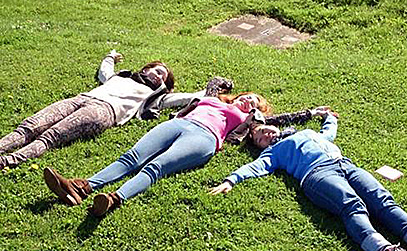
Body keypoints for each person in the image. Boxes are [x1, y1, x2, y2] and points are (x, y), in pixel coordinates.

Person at [210, 111, 407, 251]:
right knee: (352, 205)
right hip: (317, 175)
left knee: (382, 200)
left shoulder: (306, 133)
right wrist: (231, 180)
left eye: (264, 130)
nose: (266, 135)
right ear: (261, 147)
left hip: (346, 165)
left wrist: (329, 117)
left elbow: (329, 133)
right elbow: (255, 167)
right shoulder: (274, 152)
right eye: (260, 139)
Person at [43, 87, 271, 216]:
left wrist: (256, 116)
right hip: (178, 124)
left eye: (254, 102)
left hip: (204, 137)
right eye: (248, 96)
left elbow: (267, 126)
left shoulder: (248, 119)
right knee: (132, 157)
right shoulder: (212, 99)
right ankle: (82, 187)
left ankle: (113, 199)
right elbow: (208, 89)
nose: (248, 100)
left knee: (156, 167)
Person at [0, 49, 197, 170]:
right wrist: (110, 56)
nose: (159, 76)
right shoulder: (120, 77)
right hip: (81, 99)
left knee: (51, 137)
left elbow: (184, 98)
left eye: (163, 78)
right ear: (146, 69)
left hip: (103, 111)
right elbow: (105, 71)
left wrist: (210, 91)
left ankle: (7, 161)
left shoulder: (155, 97)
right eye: (158, 71)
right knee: (29, 126)